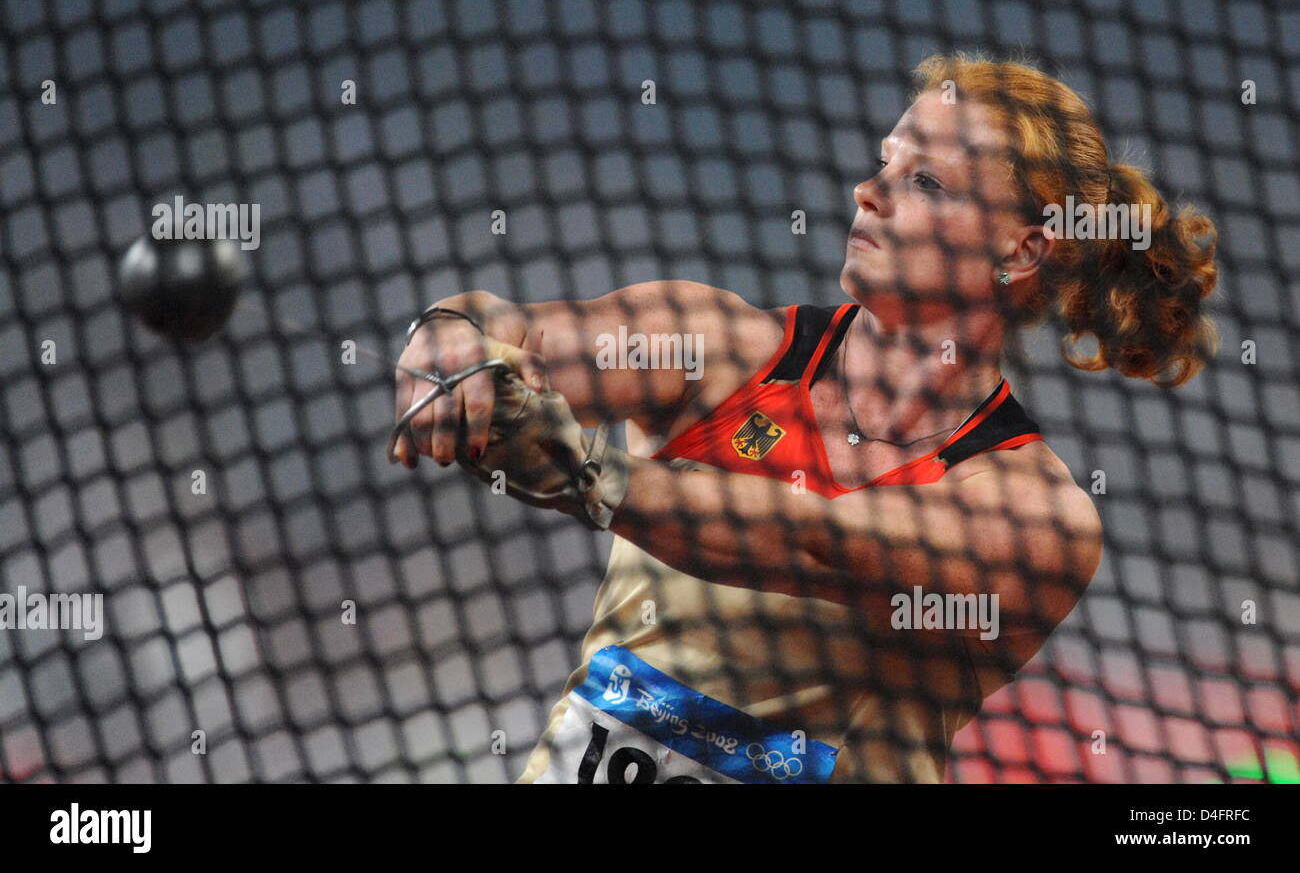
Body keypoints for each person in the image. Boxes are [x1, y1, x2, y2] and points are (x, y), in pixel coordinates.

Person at [389, 53, 1218, 783]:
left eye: (924, 181)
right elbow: (519, 329)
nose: (870, 193)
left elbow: (814, 541)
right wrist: (452, 341)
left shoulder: (1036, 513)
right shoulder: (712, 345)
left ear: (1021, 251)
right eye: (884, 163)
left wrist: (589, 473)